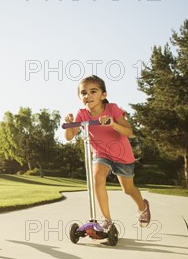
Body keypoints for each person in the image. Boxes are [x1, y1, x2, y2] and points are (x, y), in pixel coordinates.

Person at [64, 75, 151, 230]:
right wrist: (70, 124)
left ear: (103, 95)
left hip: (122, 155)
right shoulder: (82, 114)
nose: (88, 96)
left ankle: (142, 206)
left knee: (128, 190)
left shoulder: (113, 109)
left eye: (93, 91)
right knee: (97, 177)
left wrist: (112, 124)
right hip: (100, 154)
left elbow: (129, 132)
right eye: (83, 93)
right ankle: (107, 219)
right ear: (79, 97)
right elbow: (70, 136)